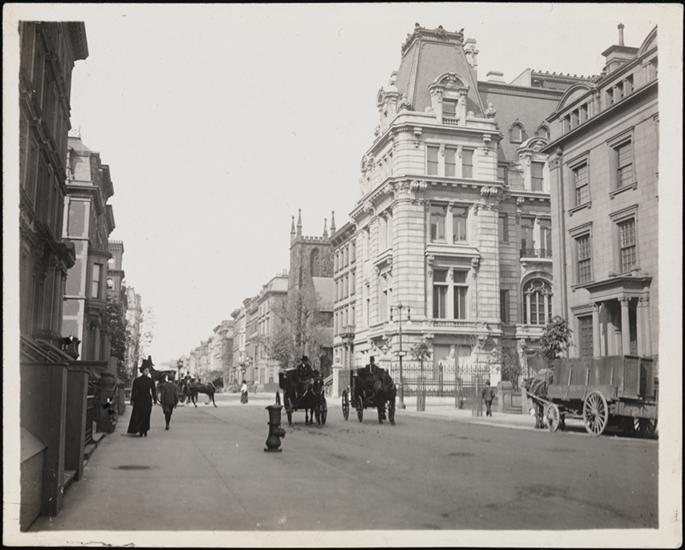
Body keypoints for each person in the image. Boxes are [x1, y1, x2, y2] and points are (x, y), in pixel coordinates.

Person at [127, 359, 158, 437]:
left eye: (148, 370)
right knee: (140, 415)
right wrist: (132, 400)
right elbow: (134, 391)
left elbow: (153, 391)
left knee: (146, 415)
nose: (147, 372)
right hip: (140, 399)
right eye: (146, 370)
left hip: (146, 400)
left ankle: (145, 430)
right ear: (142, 371)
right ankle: (141, 430)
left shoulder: (150, 380)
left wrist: (155, 399)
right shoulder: (137, 380)